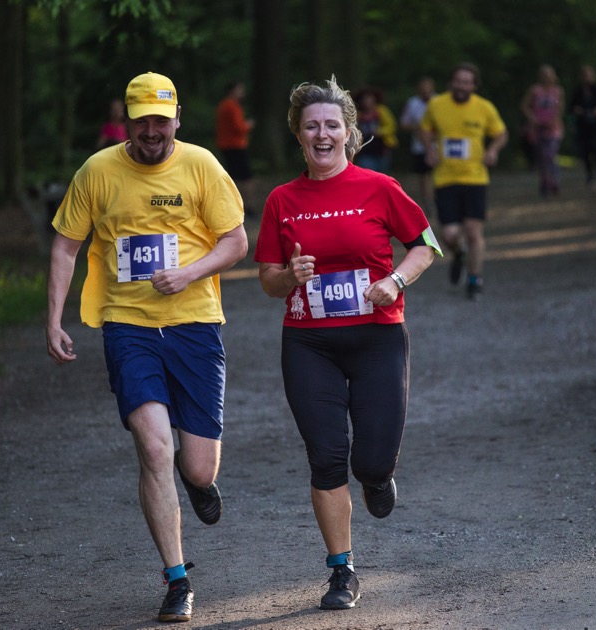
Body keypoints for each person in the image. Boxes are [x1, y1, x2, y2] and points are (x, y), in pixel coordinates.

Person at [45, 72, 248, 623]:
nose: (152, 130)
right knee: (154, 449)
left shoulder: (202, 165)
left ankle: (196, 479)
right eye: (142, 121)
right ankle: (177, 578)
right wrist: (53, 320)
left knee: (199, 468)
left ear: (177, 118)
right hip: (127, 326)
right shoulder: (98, 171)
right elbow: (65, 247)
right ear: (127, 121)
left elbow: (236, 242)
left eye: (161, 120)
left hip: (194, 324)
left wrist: (189, 273)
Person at [253, 76, 440, 611]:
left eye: (331, 125)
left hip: (378, 338)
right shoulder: (282, 200)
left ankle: (378, 478)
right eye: (311, 126)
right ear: (298, 135)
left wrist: (396, 281)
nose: (322, 134)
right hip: (309, 344)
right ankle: (342, 570)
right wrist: (288, 276)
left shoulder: (379, 187)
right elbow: (267, 280)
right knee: (327, 457)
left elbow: (425, 245)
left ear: (349, 132)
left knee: (372, 461)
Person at [420, 61, 508, 299]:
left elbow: (501, 133)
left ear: (474, 85)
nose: (462, 86)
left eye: (467, 82)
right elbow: (425, 129)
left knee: (473, 231)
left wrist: (493, 150)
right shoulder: (437, 105)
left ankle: (474, 279)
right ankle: (458, 254)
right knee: (449, 234)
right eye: (458, 81)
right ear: (451, 83)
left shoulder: (484, 107)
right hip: (445, 178)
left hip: (475, 178)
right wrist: (429, 149)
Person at [520, 64, 564, 197]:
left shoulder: (556, 91)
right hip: (537, 127)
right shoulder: (535, 91)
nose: (546, 77)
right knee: (541, 157)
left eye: (549, 75)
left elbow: (558, 106)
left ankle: (554, 180)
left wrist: (554, 120)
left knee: (550, 154)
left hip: (552, 128)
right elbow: (525, 105)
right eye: (544, 75)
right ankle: (544, 181)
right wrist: (532, 118)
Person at [215, 80, 256, 215]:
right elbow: (239, 127)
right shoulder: (232, 105)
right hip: (235, 145)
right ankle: (247, 206)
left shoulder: (223, 105)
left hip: (226, 145)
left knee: (234, 175)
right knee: (245, 177)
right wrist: (249, 125)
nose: (242, 92)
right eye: (239, 89)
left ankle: (234, 206)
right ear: (232, 91)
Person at [400, 76, 437, 215]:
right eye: (423, 89)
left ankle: (438, 199)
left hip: (438, 145)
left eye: (428, 88)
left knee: (437, 174)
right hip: (419, 146)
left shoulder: (440, 101)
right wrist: (418, 128)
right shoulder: (412, 103)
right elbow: (404, 123)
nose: (425, 91)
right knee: (424, 175)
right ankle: (428, 202)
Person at [570, 65, 596, 187]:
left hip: (595, 124)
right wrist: (577, 110)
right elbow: (571, 106)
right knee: (586, 149)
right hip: (583, 124)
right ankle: (590, 174)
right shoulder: (578, 90)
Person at [353, 87, 398, 173]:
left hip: (382, 149)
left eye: (370, 98)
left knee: (382, 173)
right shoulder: (357, 114)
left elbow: (392, 126)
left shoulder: (382, 111)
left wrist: (379, 131)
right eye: (365, 99)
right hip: (365, 150)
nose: (367, 101)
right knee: (367, 171)